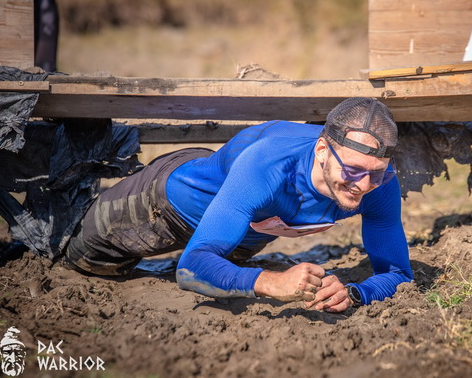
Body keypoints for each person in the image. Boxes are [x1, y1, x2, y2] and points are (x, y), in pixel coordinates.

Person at [61, 97, 413, 313]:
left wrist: (354, 293)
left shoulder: (379, 182)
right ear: (322, 150)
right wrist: (273, 282)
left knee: (223, 272)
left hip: (241, 229)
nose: (363, 185)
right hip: (167, 203)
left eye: (375, 173)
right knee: (79, 261)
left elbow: (398, 274)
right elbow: (191, 267)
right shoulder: (269, 165)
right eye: (352, 170)